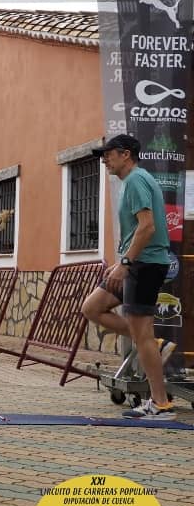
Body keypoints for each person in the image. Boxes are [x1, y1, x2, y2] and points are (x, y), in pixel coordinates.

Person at [80, 134, 175, 421]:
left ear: (125, 154)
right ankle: (155, 346)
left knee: (142, 334)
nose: (104, 160)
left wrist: (125, 263)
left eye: (108, 154)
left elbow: (147, 227)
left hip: (144, 265)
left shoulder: (136, 180)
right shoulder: (131, 181)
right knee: (92, 307)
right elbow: (138, 230)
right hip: (135, 263)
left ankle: (160, 404)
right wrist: (121, 262)